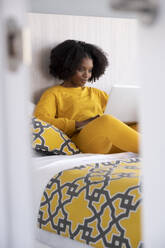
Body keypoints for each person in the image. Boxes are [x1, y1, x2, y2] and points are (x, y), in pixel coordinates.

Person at [34, 39, 139, 154]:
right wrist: (78, 124)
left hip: (108, 143)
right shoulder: (53, 93)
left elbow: (117, 118)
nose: (86, 75)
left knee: (141, 125)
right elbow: (41, 120)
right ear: (67, 67)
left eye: (90, 70)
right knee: (106, 121)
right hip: (82, 141)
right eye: (81, 69)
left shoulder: (97, 93)